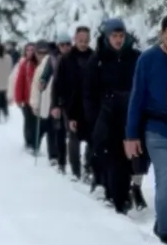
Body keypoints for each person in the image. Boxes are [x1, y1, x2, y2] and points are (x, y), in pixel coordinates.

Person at [126, 13, 167, 245]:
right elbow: (137, 98)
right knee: (166, 180)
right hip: (156, 128)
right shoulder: (148, 59)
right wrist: (131, 135)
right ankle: (165, 230)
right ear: (161, 35)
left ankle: (161, 223)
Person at [84, 19, 142, 213]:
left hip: (129, 116)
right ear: (107, 37)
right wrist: (93, 118)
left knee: (127, 158)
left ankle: (123, 196)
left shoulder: (135, 57)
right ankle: (111, 193)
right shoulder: (98, 60)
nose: (118, 40)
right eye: (114, 36)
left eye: (121, 35)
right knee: (109, 156)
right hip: (105, 116)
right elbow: (89, 92)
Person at [54, 26, 97, 184]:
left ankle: (89, 167)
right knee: (74, 136)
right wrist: (56, 104)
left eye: (86, 40)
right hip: (71, 104)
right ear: (75, 39)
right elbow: (58, 84)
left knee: (93, 138)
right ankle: (75, 170)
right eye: (80, 40)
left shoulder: (94, 57)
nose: (83, 43)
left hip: (91, 104)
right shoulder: (66, 59)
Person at [44, 35, 74, 170]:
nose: (65, 47)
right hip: (57, 96)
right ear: (58, 46)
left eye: (68, 44)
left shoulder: (74, 57)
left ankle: (72, 160)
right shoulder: (52, 58)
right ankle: (57, 158)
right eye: (62, 45)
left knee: (70, 130)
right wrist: (42, 81)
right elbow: (46, 73)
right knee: (58, 128)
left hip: (72, 97)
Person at [14, 43, 42, 153]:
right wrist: (18, 99)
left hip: (38, 99)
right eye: (28, 50)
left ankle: (36, 143)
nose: (30, 52)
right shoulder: (24, 64)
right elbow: (19, 82)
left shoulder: (41, 64)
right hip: (27, 99)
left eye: (32, 50)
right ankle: (29, 142)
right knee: (29, 122)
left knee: (37, 122)